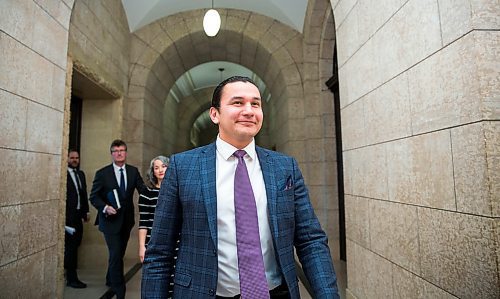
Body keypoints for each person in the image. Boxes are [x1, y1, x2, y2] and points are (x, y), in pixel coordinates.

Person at [142, 76, 339, 298]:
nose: (249, 110)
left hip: (275, 293)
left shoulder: (285, 168)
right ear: (215, 114)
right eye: (238, 103)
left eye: (255, 104)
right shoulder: (183, 167)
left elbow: (310, 241)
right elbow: (159, 252)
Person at [89, 139, 146, 299]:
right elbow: (94, 197)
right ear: (112, 154)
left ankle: (110, 278)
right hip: (109, 222)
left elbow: (142, 190)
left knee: (118, 253)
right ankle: (120, 291)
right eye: (116, 151)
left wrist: (158, 191)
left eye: (122, 150)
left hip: (126, 222)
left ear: (126, 153)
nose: (119, 153)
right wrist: (105, 207)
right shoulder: (102, 173)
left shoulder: (133, 171)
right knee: (115, 255)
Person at [65, 149, 89, 288]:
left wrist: (85, 212)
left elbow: (83, 194)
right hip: (68, 218)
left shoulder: (81, 174)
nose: (74, 160)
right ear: (67, 158)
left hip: (78, 217)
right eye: (72, 157)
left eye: (77, 158)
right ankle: (71, 278)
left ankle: (71, 276)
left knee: (76, 245)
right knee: (70, 248)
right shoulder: (63, 174)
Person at [138, 155, 170, 263]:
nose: (160, 170)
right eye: (156, 168)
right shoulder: (147, 193)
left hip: (174, 242)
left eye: (163, 166)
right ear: (153, 172)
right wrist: (142, 246)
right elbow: (143, 222)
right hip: (152, 242)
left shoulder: (177, 192)